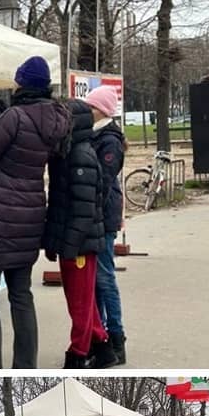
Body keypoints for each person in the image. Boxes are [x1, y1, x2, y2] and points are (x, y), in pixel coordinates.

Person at [0, 56, 70, 368]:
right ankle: (26, 364)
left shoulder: (15, 115)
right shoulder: (54, 119)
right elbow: (17, 151)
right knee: (21, 295)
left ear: (22, 83)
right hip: (30, 215)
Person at [44, 97, 117, 369]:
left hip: (79, 244)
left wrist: (69, 244)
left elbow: (84, 209)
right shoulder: (69, 152)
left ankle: (79, 351)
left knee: (80, 303)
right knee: (82, 300)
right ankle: (101, 345)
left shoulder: (79, 155)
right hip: (73, 241)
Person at [86, 86, 128, 365]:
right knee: (96, 279)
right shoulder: (96, 135)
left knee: (104, 277)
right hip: (97, 214)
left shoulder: (109, 139)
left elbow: (102, 177)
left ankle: (115, 336)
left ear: (101, 109)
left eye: (90, 106)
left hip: (102, 214)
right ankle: (99, 334)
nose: (86, 111)